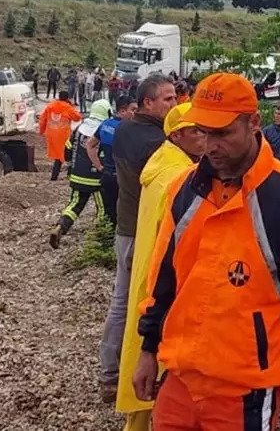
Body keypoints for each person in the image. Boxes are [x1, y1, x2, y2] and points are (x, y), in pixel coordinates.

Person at [132, 72, 280, 431]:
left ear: (253, 122)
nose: (210, 145)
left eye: (222, 133)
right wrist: (148, 349)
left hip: (245, 391)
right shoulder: (183, 191)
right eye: (202, 132)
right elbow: (163, 282)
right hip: (180, 380)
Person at [115, 102, 205, 431]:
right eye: (198, 130)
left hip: (150, 276)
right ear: (178, 135)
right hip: (166, 285)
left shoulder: (163, 163)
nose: (205, 137)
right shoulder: (178, 177)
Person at [98, 73, 177, 404]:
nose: (175, 103)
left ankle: (109, 371)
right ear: (147, 103)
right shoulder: (155, 143)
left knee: (121, 300)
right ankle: (121, 374)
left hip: (126, 226)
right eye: (168, 99)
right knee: (138, 302)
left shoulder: (127, 128)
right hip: (140, 232)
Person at [48, 99, 111, 249]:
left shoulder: (79, 130)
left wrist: (70, 167)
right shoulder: (103, 131)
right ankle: (99, 239)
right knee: (102, 208)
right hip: (97, 178)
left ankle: (61, 226)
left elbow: (67, 149)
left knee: (75, 204)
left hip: (77, 176)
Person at [85, 95, 137, 227]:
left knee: (109, 212)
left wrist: (99, 167)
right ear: (123, 111)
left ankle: (105, 241)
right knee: (126, 215)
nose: (136, 114)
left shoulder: (105, 124)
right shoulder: (128, 129)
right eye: (133, 110)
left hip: (107, 175)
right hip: (124, 178)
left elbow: (90, 145)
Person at [39, 91, 81, 181]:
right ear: (67, 98)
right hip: (63, 135)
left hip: (51, 133)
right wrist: (71, 106)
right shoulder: (68, 107)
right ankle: (69, 174)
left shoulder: (50, 106)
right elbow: (77, 117)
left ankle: (54, 176)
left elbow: (42, 119)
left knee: (58, 156)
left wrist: (42, 131)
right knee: (68, 154)